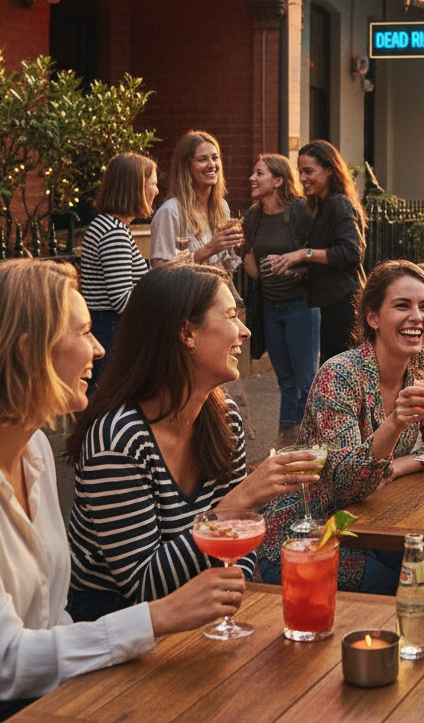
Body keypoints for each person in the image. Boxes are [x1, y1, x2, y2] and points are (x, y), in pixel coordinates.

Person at [0, 260, 245, 723]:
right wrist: (156, 618)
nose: (99, 349)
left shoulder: (33, 450)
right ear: (28, 351)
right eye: (82, 332)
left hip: (51, 689)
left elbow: (52, 617)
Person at [66, 262, 318, 621]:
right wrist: (238, 501)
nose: (244, 331)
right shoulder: (118, 436)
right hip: (117, 623)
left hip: (205, 607)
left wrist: (230, 604)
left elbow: (239, 543)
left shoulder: (223, 417)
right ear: (186, 333)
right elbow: (144, 585)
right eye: (231, 316)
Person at [255, 260, 424, 600]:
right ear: (373, 318)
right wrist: (395, 423)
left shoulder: (421, 367)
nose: (417, 317)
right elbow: (345, 484)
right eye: (402, 306)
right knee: (403, 588)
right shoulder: (338, 376)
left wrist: (398, 467)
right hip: (308, 536)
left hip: (370, 522)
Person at [262, 139, 366, 365]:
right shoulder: (322, 204)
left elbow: (351, 253)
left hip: (344, 306)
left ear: (330, 170)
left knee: (337, 374)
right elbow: (329, 257)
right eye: (300, 172)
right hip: (331, 305)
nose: (302, 179)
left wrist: (303, 254)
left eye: (309, 171)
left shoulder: (338, 203)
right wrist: (298, 269)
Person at [242, 154, 318, 446]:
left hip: (301, 306)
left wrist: (294, 266)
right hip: (270, 308)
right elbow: (252, 265)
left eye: (259, 173)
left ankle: (309, 439)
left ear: (277, 181)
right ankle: (287, 440)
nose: (252, 178)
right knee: (285, 382)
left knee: (306, 381)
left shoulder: (299, 211)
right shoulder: (253, 216)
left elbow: (317, 256)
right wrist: (252, 261)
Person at [79, 151, 157, 391]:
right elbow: (122, 300)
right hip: (110, 331)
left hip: (104, 327)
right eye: (153, 184)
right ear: (137, 188)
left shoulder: (106, 225)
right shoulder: (114, 232)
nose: (155, 191)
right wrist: (159, 283)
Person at [149, 130, 243, 273]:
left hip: (219, 291)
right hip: (187, 295)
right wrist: (207, 250)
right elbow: (160, 272)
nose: (212, 165)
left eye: (215, 157)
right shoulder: (171, 211)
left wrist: (237, 249)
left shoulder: (222, 206)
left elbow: (226, 267)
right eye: (202, 159)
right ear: (186, 167)